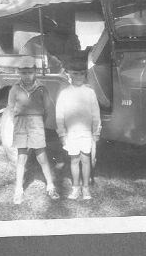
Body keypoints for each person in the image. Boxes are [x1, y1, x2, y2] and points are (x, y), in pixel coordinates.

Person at [8, 65, 59, 204]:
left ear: (35, 72)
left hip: (36, 124)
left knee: (42, 156)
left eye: (30, 72)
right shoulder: (15, 89)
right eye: (23, 72)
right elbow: (11, 109)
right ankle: (18, 190)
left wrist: (39, 121)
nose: (27, 75)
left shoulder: (42, 88)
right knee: (21, 158)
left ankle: (50, 186)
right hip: (21, 125)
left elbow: (48, 109)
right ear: (19, 72)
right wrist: (18, 121)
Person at [55, 59, 102, 200]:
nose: (79, 77)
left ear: (85, 75)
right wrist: (62, 134)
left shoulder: (90, 92)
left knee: (86, 160)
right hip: (71, 134)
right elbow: (59, 115)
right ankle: (76, 188)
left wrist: (96, 131)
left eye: (82, 74)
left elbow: (96, 113)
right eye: (75, 74)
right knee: (74, 161)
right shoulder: (64, 93)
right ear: (69, 74)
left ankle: (86, 188)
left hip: (86, 133)